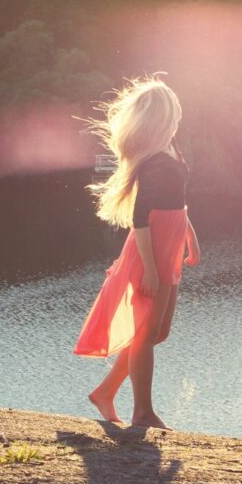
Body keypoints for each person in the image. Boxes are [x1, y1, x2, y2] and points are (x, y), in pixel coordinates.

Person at [74, 76, 201, 431]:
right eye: (173, 111)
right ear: (163, 116)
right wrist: (148, 268)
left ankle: (105, 391)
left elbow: (177, 201)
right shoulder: (155, 162)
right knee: (146, 334)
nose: (178, 115)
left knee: (158, 332)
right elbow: (141, 218)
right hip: (151, 251)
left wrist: (190, 235)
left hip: (170, 246)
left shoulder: (171, 150)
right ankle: (142, 413)